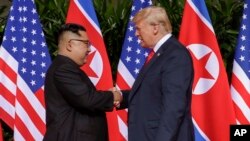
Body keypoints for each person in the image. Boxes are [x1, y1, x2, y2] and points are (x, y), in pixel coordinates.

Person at [118, 6, 194, 141]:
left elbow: (173, 107)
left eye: (138, 28)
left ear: (155, 28)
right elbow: (150, 93)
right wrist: (121, 96)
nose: (136, 34)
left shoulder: (175, 55)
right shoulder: (159, 54)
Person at [43, 23, 122, 141]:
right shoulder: (63, 69)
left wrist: (126, 96)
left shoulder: (66, 67)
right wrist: (113, 95)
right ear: (70, 45)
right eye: (86, 44)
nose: (89, 49)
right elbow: (87, 99)